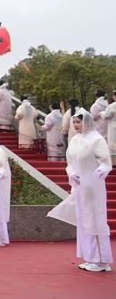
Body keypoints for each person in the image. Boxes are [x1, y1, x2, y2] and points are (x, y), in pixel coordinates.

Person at [48, 109, 113, 272]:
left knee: (96, 219)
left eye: (79, 122)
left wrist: (102, 170)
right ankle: (91, 257)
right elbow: (70, 162)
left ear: (87, 122)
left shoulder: (97, 140)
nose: (76, 125)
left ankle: (102, 259)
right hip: (79, 187)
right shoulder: (75, 139)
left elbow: (106, 162)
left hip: (94, 187)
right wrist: (71, 173)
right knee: (84, 221)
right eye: (74, 122)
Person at [104, 91, 116, 164]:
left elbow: (106, 115)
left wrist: (101, 113)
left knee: (113, 148)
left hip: (113, 127)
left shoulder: (112, 106)